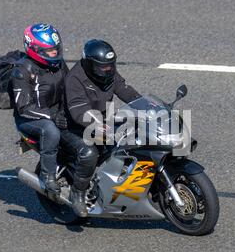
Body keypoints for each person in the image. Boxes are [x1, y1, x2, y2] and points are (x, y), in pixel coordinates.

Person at [62, 39, 141, 217]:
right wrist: (98, 125)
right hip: (74, 126)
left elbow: (124, 89)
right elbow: (79, 111)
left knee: (133, 138)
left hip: (101, 120)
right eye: (103, 67)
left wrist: (146, 106)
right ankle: (78, 194)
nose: (108, 70)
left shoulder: (107, 72)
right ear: (90, 64)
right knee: (90, 154)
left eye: (111, 66)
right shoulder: (75, 79)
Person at [12, 23, 69, 195]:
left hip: (54, 111)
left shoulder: (58, 64)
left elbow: (70, 86)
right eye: (49, 51)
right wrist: (52, 116)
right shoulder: (22, 71)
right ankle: (47, 176)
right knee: (51, 131)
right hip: (30, 119)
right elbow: (23, 107)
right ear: (34, 49)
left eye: (56, 49)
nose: (54, 53)